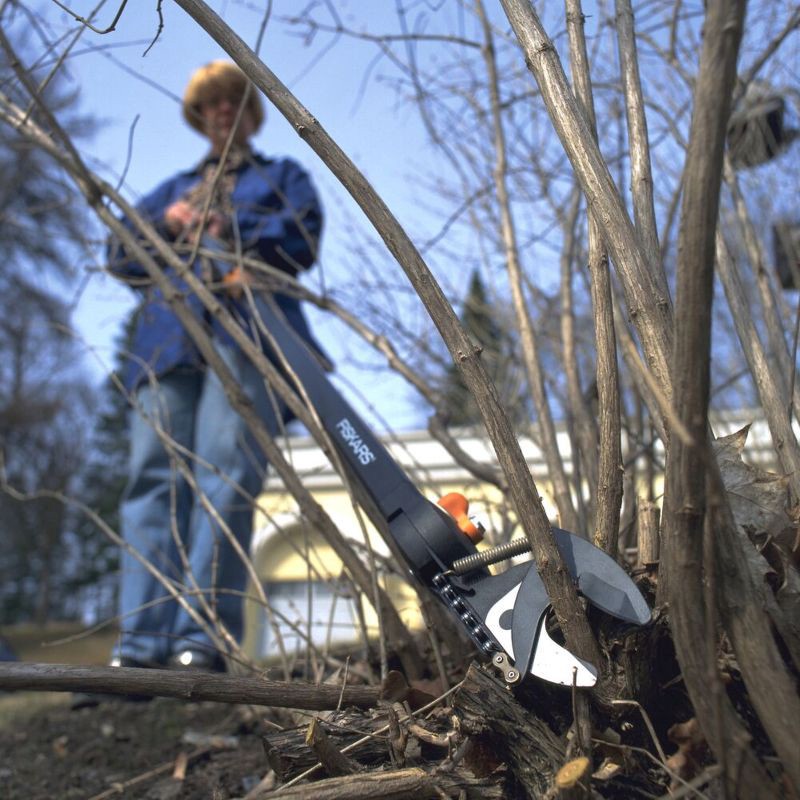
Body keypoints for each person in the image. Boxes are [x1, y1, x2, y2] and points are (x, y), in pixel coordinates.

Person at [108, 61, 324, 673]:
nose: (222, 110)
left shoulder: (280, 176)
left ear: (250, 112)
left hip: (245, 331)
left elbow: (302, 237)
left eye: (233, 100)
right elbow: (120, 254)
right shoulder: (171, 189)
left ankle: (198, 639)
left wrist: (231, 226)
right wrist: (165, 224)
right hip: (168, 344)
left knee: (226, 475)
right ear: (201, 117)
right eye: (211, 104)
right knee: (153, 478)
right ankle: (139, 645)